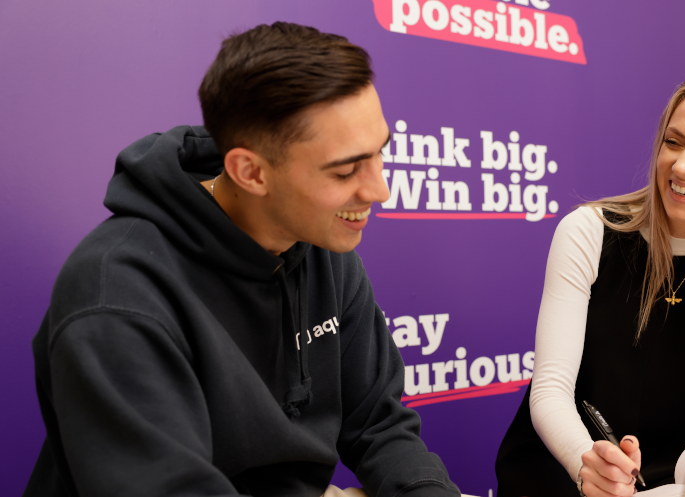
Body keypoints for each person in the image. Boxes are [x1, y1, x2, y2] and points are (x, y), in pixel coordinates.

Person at [24, 22, 461, 497]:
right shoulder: (116, 293)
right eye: (346, 169)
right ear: (250, 172)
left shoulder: (321, 244)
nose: (379, 189)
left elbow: (380, 425)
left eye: (379, 154)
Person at [495, 68, 685, 496]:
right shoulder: (587, 231)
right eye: (674, 142)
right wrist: (590, 468)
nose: (682, 163)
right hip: (562, 472)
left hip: (670, 484)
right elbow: (549, 390)